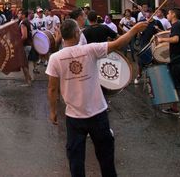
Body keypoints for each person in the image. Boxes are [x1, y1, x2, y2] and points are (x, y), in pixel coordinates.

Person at [46, 19, 148, 177]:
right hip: (98, 113)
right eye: (79, 31)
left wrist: (52, 111)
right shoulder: (90, 50)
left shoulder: (55, 58)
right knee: (106, 157)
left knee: (76, 159)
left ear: (62, 35)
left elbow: (52, 89)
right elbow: (118, 43)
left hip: (74, 116)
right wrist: (134, 29)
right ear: (75, 34)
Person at [135, 10, 163, 84]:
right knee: (140, 61)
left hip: (153, 44)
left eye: (149, 13)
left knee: (154, 61)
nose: (148, 14)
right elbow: (137, 33)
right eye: (146, 13)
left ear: (152, 13)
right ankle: (139, 75)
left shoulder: (157, 22)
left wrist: (158, 29)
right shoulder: (142, 22)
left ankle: (154, 77)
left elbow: (163, 32)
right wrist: (139, 31)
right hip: (143, 44)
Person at [18, 10, 36, 83]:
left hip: (25, 45)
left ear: (23, 15)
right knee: (26, 64)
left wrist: (18, 43)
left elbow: (24, 36)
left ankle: (28, 81)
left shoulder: (23, 23)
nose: (18, 15)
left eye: (19, 13)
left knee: (24, 64)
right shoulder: (27, 21)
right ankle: (29, 78)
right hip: (29, 45)